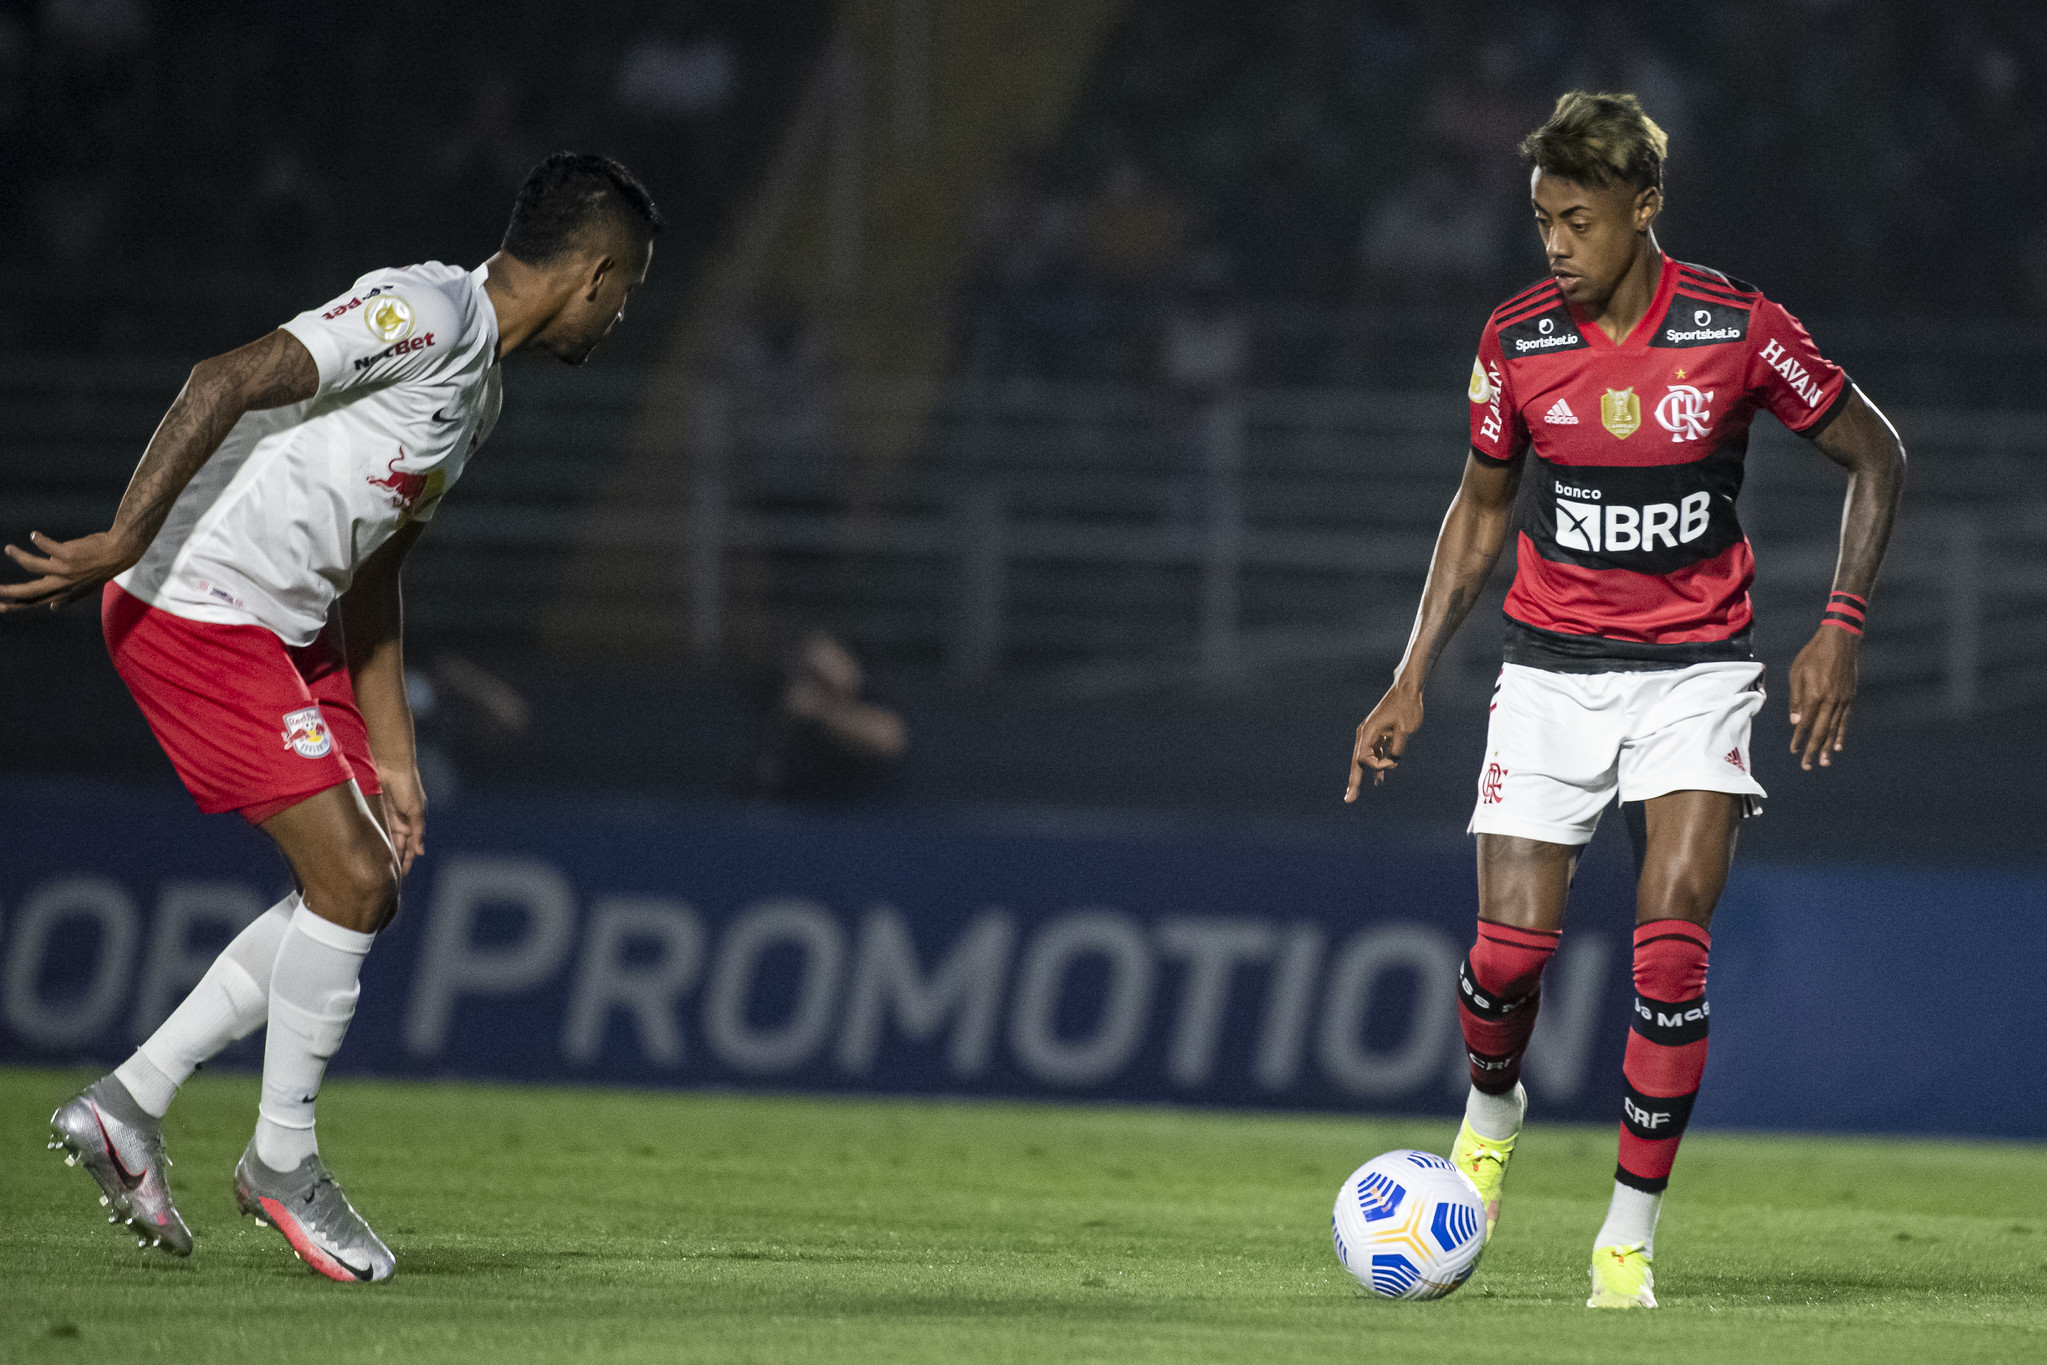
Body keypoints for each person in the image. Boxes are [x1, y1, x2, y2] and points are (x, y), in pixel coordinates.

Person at [3, 152, 662, 1283]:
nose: (624, 312)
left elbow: (373, 570)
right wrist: (122, 537)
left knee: (359, 887)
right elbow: (224, 377)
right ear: (594, 271)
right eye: (631, 288)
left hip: (289, 625)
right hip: (196, 608)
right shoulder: (424, 310)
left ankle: (128, 1105)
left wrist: (394, 755)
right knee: (353, 884)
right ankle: (280, 1163)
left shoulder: (479, 391)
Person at [1343, 92, 1904, 1309]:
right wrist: (1410, 673)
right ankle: (1491, 1113)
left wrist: (1840, 628)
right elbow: (1483, 507)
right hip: (1547, 674)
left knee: (1667, 952)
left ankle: (1625, 1241)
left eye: (1577, 219)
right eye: (1541, 217)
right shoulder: (1515, 340)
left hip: (1698, 676)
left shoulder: (1738, 329)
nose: (1552, 243)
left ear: (1643, 209)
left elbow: (1877, 454)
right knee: (1504, 961)